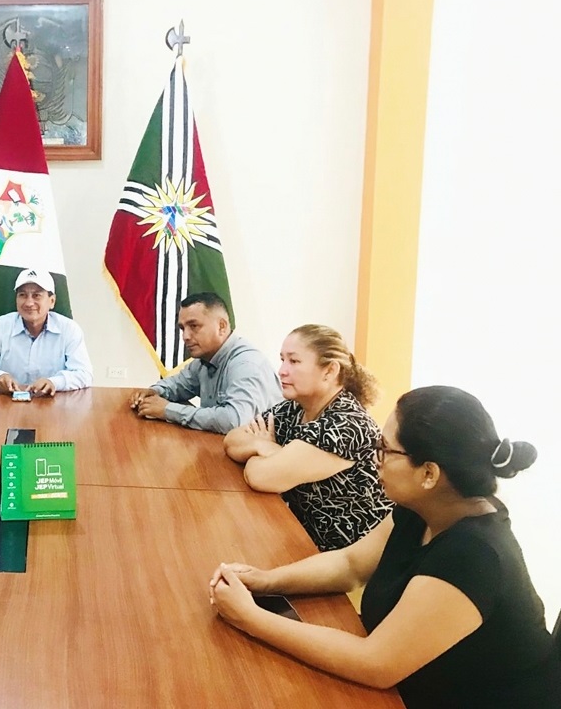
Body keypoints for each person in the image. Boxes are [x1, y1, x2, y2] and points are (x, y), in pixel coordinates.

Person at [209, 386, 561, 708]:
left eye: (385, 449)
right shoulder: (425, 508)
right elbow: (350, 565)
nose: (375, 458)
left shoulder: (474, 555)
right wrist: (264, 580)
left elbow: (375, 663)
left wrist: (251, 617)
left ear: (429, 474)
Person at [222, 324, 391, 550]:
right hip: (302, 539)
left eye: (294, 361)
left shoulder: (345, 425)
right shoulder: (296, 407)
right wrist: (266, 448)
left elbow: (260, 476)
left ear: (329, 371)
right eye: (282, 359)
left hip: (348, 558)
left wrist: (264, 451)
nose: (282, 370)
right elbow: (232, 440)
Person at [128, 292, 280, 433]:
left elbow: (234, 420)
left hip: (265, 451)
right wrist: (155, 391)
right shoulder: (204, 359)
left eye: (194, 326)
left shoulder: (246, 364)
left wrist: (168, 410)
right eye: (182, 328)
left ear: (221, 326)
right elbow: (178, 385)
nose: (185, 336)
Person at [0, 268, 93, 397]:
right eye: (22, 295)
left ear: (52, 301)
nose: (29, 303)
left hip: (52, 403)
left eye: (36, 295)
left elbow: (84, 374)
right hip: (6, 403)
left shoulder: (69, 329)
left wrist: (54, 382)